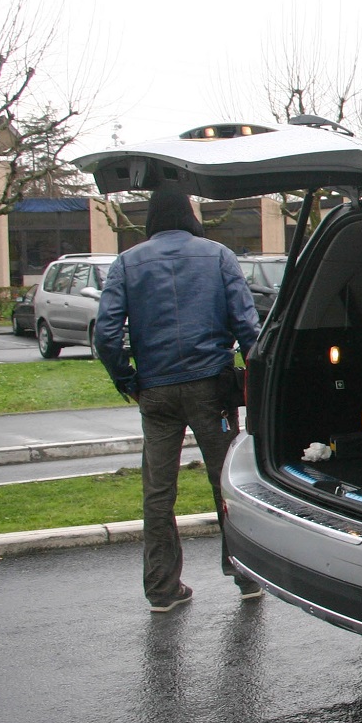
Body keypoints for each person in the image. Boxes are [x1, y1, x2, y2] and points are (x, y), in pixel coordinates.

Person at [96, 187, 262, 612]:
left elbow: (106, 335)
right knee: (224, 481)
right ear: (190, 214)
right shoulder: (218, 255)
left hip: (155, 389)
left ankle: (162, 588)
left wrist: (127, 379)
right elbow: (248, 325)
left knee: (158, 490)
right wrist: (256, 380)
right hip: (212, 386)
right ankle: (244, 574)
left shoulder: (127, 262)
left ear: (151, 218)